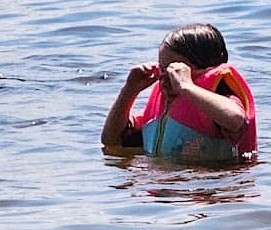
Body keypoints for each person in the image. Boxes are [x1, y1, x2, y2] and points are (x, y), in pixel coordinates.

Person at [101, 23, 257, 162]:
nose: (164, 77)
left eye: (174, 69)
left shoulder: (220, 99)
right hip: (172, 187)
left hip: (210, 188)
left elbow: (236, 119)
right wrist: (129, 91)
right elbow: (110, 140)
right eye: (162, 69)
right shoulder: (162, 109)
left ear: (204, 69)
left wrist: (186, 87)